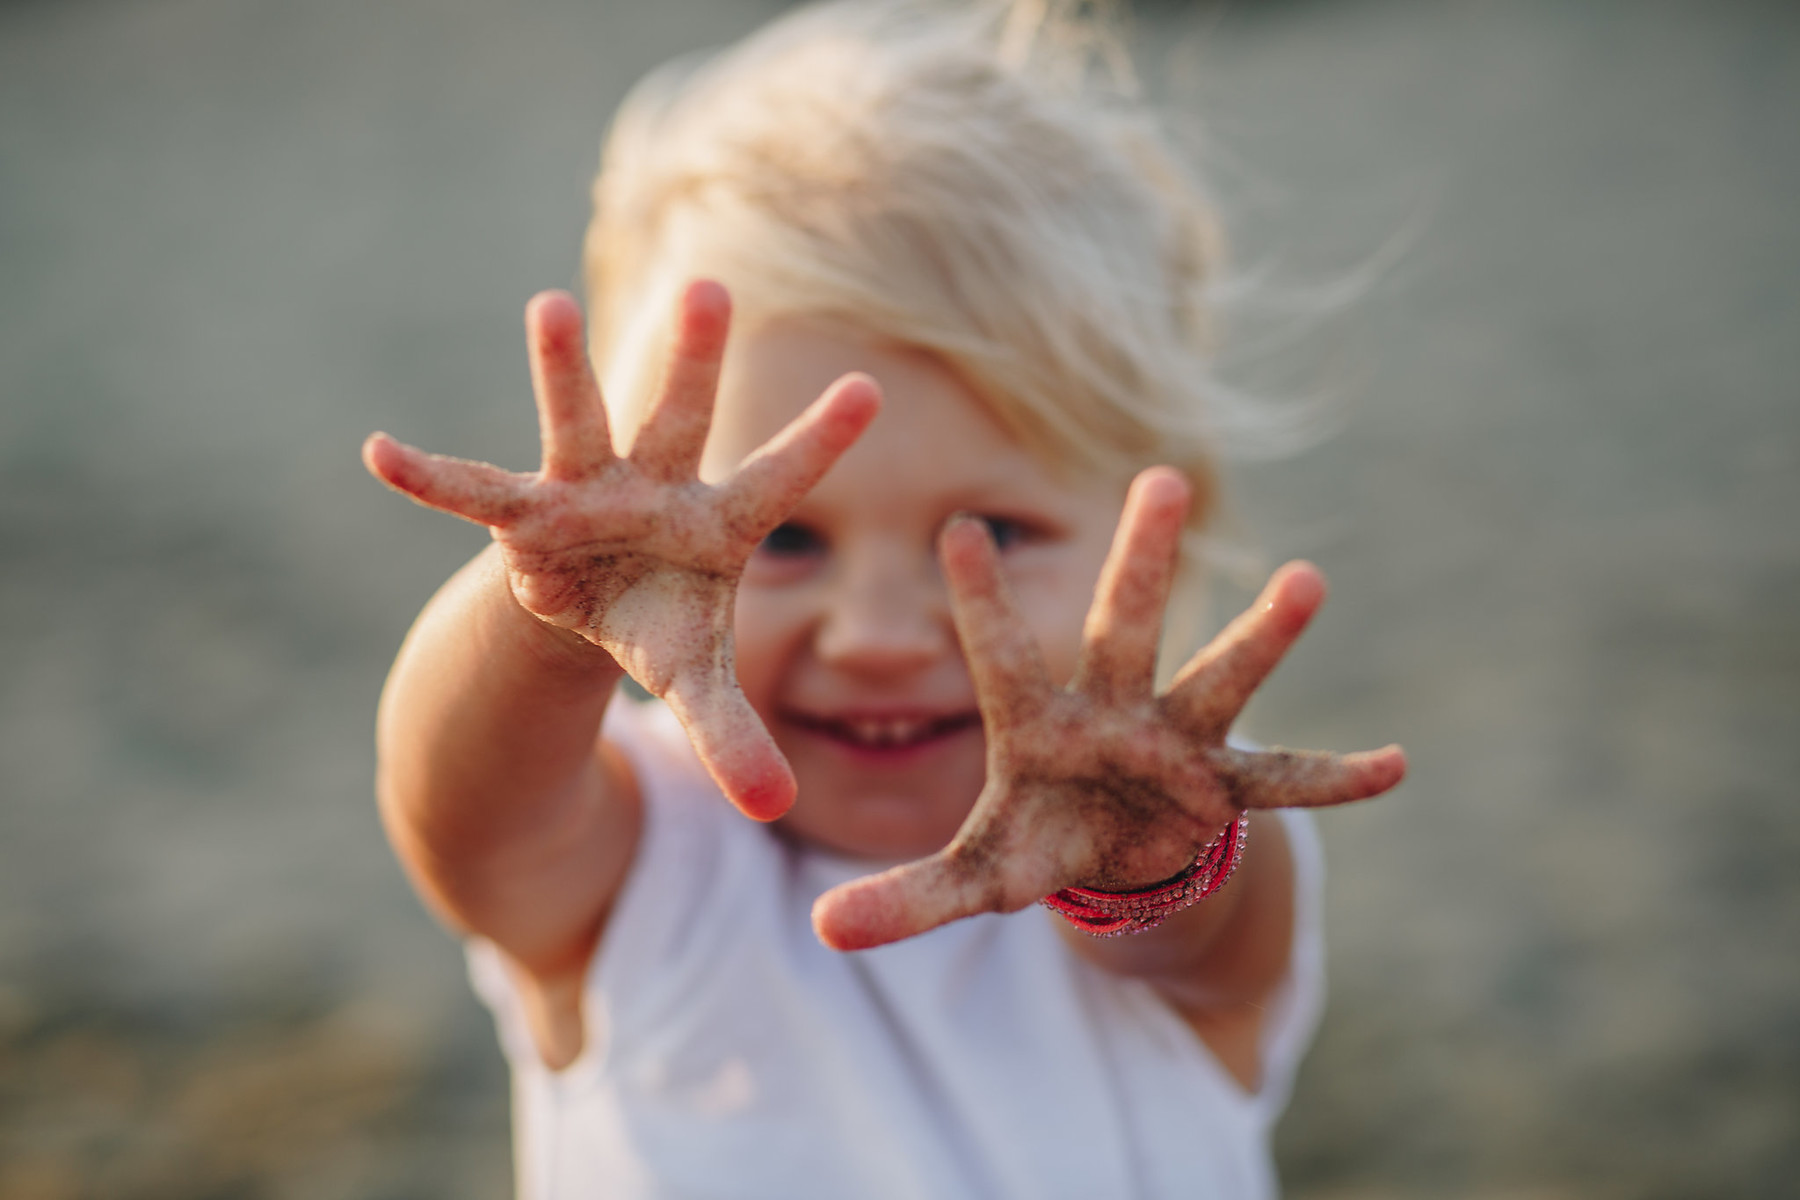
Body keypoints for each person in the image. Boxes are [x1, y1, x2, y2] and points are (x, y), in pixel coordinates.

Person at [362, 2, 1406, 1195]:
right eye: (784, 534)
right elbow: (467, 826)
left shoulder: (1171, 818)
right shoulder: (646, 864)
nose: (878, 636)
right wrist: (542, 610)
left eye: (996, 538)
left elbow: (1210, 944)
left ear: (1155, 531)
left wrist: (1144, 858)